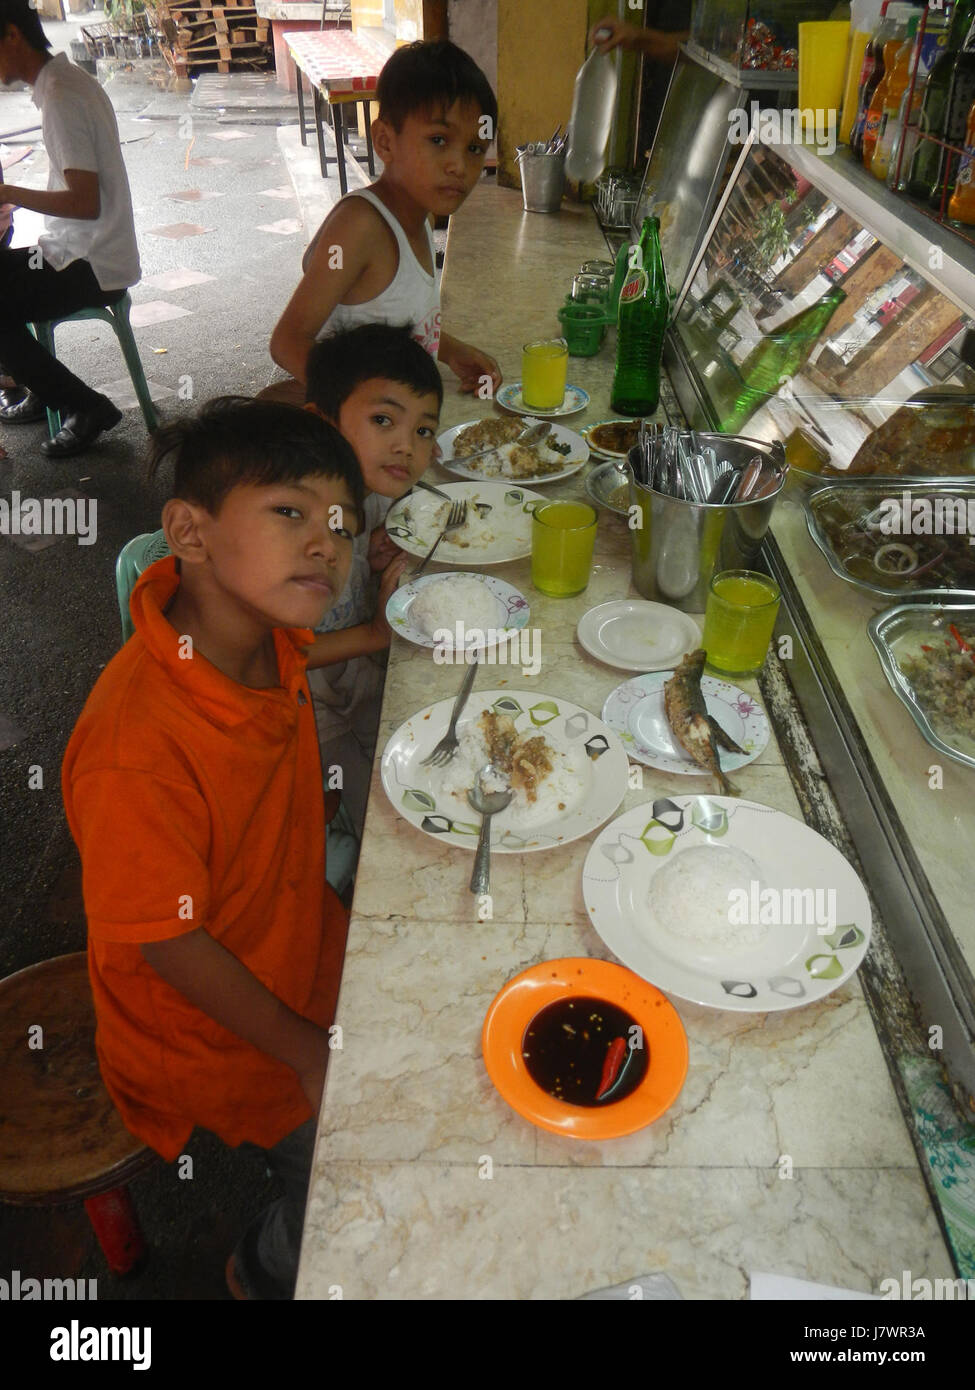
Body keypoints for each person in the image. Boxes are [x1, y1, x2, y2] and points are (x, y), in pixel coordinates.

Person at [62, 398, 364, 1299]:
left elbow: (301, 658)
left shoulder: (254, 634)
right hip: (215, 1027)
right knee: (338, 1160)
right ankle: (265, 1270)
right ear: (188, 534)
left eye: (339, 523)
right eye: (289, 513)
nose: (325, 543)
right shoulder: (136, 748)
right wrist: (307, 1051)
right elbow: (171, 943)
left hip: (293, 940)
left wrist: (373, 635)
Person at [268, 39, 501, 402]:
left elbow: (395, 328)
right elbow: (287, 342)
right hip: (340, 441)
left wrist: (450, 350)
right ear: (385, 142)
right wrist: (368, 408)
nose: (460, 165)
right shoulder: (360, 226)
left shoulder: (418, 218)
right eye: (439, 139)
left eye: (474, 148)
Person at [303, 323, 443, 843]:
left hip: (355, 680)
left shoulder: (367, 496)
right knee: (390, 828)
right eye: (383, 419)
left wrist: (370, 556)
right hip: (300, 706)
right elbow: (266, 656)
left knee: (434, 752)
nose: (406, 446)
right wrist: (376, 636)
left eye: (424, 430)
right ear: (324, 423)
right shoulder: (293, 525)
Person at [0, 0, 141, 457]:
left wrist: (9, 194)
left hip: (92, 264)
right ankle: (44, 386)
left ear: (11, 36)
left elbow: (84, 202)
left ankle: (86, 406)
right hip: (78, 252)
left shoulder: (61, 96)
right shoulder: (65, 83)